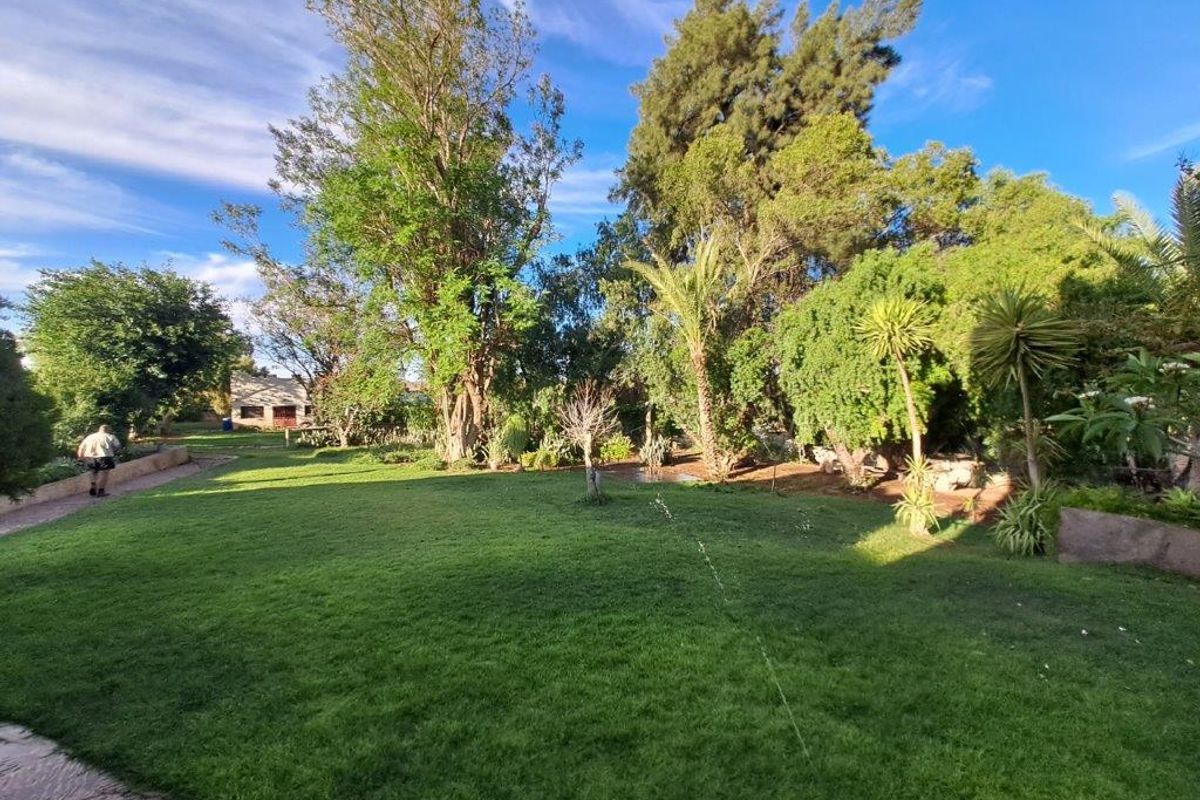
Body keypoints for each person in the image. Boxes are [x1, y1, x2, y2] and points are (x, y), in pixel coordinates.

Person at [77, 424, 122, 497]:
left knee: (93, 472)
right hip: (104, 456)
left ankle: (93, 483)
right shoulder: (110, 436)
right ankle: (101, 491)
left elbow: (81, 447)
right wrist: (113, 451)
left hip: (90, 456)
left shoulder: (90, 437)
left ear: (99, 429)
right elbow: (117, 446)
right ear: (108, 429)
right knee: (104, 473)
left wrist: (80, 457)